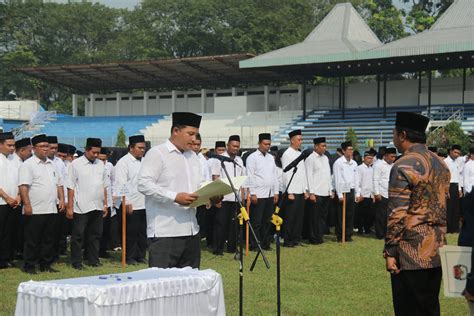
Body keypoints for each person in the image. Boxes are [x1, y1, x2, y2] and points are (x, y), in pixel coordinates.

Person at [385, 112, 450, 316]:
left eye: (394, 133)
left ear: (402, 135)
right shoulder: (441, 163)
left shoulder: (403, 164)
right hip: (437, 250)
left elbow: (398, 213)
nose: (393, 137)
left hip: (411, 252)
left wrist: (390, 251)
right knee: (430, 308)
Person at [138, 112, 206, 269]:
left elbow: (198, 185)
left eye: (196, 135)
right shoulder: (157, 153)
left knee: (191, 284)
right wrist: (174, 197)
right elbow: (143, 183)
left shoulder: (193, 157)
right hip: (165, 232)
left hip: (191, 230)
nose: (194, 139)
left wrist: (210, 195)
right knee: (163, 285)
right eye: (190, 134)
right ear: (176, 131)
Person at [19, 134, 65, 274]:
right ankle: (30, 265)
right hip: (35, 209)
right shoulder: (28, 165)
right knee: (33, 239)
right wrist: (27, 205)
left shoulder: (52, 164)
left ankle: (46, 264)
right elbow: (23, 186)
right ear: (34, 148)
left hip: (51, 208)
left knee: (48, 239)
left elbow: (59, 184)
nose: (46, 149)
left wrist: (61, 200)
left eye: (48, 146)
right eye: (43, 146)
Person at [67, 138, 108, 270]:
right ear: (87, 149)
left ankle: (93, 259)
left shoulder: (101, 164)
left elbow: (105, 186)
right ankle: (76, 261)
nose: (95, 155)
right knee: (78, 235)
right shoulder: (76, 164)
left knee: (95, 234)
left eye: (98, 152)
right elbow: (70, 186)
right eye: (93, 152)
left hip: (97, 204)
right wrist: (70, 207)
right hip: (81, 205)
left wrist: (105, 204)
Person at [114, 135, 147, 264]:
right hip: (130, 203)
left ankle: (140, 255)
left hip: (144, 202)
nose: (142, 150)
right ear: (131, 148)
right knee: (130, 233)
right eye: (140, 148)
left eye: (144, 148)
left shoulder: (145, 161)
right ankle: (130, 256)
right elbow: (121, 183)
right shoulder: (123, 162)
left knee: (142, 232)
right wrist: (126, 201)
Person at [211, 135, 245, 255]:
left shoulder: (239, 160)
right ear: (227, 145)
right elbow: (215, 178)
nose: (235, 148)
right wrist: (217, 197)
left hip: (236, 198)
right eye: (233, 146)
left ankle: (232, 247)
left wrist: (243, 196)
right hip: (223, 197)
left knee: (234, 224)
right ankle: (218, 248)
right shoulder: (219, 159)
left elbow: (241, 180)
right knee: (221, 223)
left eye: (237, 146)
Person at [246, 133, 279, 250]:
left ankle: (265, 244)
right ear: (259, 143)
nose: (267, 146)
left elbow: (274, 175)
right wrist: (252, 193)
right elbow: (249, 176)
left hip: (269, 194)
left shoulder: (270, 158)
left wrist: (276, 192)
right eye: (265, 144)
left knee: (267, 221)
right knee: (256, 222)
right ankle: (254, 244)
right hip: (258, 195)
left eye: (269, 144)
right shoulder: (252, 157)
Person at [281, 130, 308, 247]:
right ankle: (288, 240)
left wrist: (305, 189)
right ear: (292, 140)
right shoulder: (287, 154)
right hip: (292, 191)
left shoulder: (299, 154)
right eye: (299, 139)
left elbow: (303, 172)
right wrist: (290, 191)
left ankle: (296, 239)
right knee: (290, 217)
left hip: (300, 190)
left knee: (299, 217)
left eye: (301, 139)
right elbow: (286, 174)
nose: (301, 142)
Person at [305, 137, 333, 244]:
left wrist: (330, 190)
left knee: (322, 217)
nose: (324, 148)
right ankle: (313, 238)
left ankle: (319, 236)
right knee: (314, 217)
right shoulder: (310, 158)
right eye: (322, 146)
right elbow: (309, 176)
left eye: (325, 146)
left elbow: (328, 175)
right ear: (316, 146)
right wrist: (311, 192)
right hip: (316, 192)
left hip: (325, 192)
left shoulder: (325, 158)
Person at [333, 141, 360, 242]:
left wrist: (357, 193)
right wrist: (339, 195)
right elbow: (337, 179)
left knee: (350, 214)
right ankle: (340, 235)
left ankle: (348, 235)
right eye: (349, 149)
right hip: (342, 190)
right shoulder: (338, 163)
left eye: (352, 149)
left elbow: (356, 179)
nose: (351, 151)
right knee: (340, 215)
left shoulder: (354, 163)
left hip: (351, 190)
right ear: (343, 151)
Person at [0, 132, 20, 269]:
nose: (12, 148)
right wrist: (6, 197)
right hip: (2, 202)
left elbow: (21, 179)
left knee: (10, 232)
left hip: (15, 202)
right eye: (9, 145)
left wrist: (18, 196)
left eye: (14, 145)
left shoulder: (16, 159)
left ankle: (7, 258)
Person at [373, 147, 397, 239]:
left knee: (390, 215)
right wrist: (376, 193)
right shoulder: (379, 165)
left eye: (394, 157)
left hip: (391, 194)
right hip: (382, 193)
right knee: (381, 215)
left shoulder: (394, 165)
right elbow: (375, 179)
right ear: (386, 156)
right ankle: (380, 234)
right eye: (391, 156)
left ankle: (388, 233)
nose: (393, 159)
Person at [98, 147, 114, 258]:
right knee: (95, 230)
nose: (102, 162)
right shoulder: (94, 167)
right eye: (100, 159)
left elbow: (113, 183)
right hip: (96, 202)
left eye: (104, 159)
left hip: (108, 202)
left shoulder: (110, 167)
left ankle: (103, 250)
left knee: (106, 229)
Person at [444, 144, 463, 233]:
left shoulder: (456, 162)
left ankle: (455, 228)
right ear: (451, 151)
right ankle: (449, 228)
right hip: (449, 186)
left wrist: (459, 189)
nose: (457, 155)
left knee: (456, 208)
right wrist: (446, 190)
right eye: (455, 152)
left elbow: (458, 176)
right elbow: (444, 177)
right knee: (449, 208)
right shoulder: (445, 161)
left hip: (456, 186)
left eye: (458, 153)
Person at [356, 151, 375, 235]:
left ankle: (367, 229)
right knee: (361, 213)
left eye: (371, 158)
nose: (370, 160)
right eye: (368, 158)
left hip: (370, 194)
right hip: (362, 194)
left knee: (369, 214)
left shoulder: (372, 169)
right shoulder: (359, 168)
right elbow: (357, 182)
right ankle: (360, 229)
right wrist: (359, 193)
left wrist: (373, 194)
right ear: (364, 158)